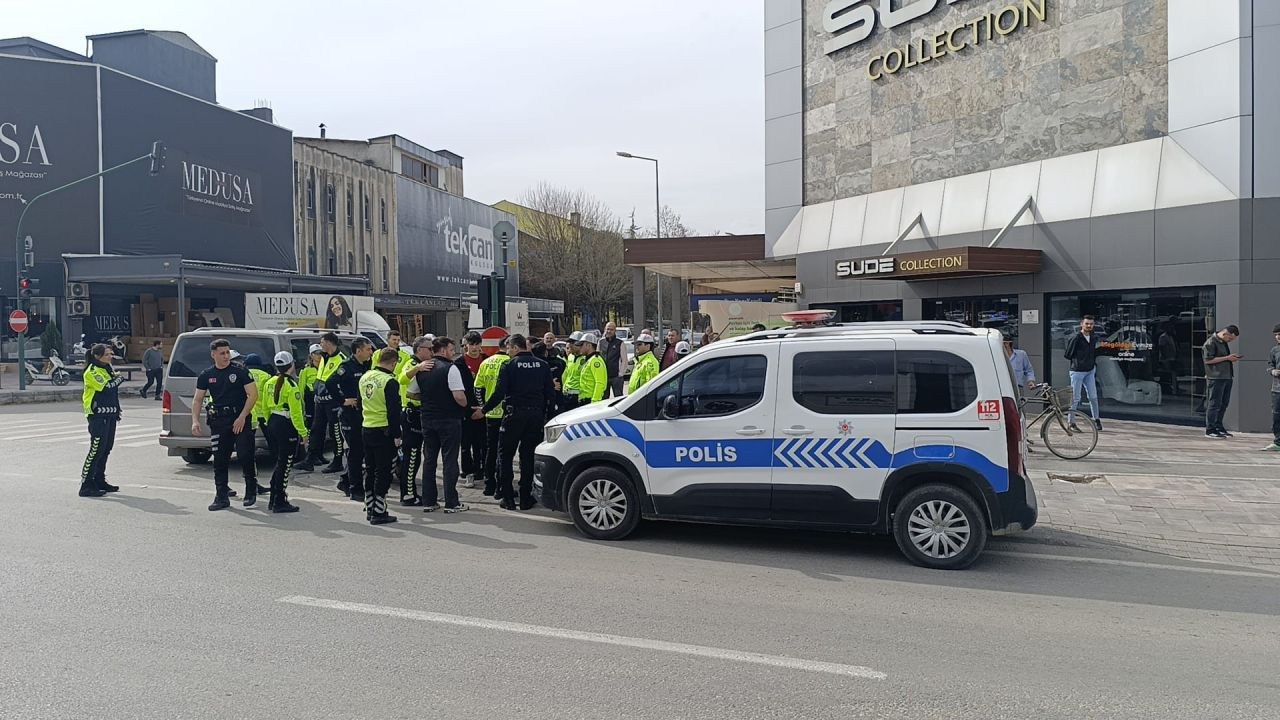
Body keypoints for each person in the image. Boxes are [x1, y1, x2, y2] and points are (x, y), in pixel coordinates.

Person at [481, 334, 556, 510]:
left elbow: (499, 393)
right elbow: (550, 395)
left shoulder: (509, 365)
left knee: (505, 456)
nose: (507, 352)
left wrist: (484, 410)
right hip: (535, 417)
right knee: (528, 457)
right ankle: (525, 497)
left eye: (508, 348)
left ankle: (507, 498)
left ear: (515, 347)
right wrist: (549, 417)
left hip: (513, 416)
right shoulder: (542, 365)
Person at [193, 338, 260, 511]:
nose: (226, 356)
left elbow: (253, 395)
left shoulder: (240, 371)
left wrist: (242, 417)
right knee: (220, 460)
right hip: (219, 421)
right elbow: (198, 399)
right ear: (213, 355)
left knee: (246, 455)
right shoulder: (207, 375)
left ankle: (251, 491)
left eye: (227, 352)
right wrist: (194, 421)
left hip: (240, 419)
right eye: (222, 353)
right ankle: (221, 496)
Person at [410, 336, 471, 513]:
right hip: (449, 420)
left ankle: (429, 501)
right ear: (443, 350)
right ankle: (451, 502)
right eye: (452, 350)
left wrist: (430, 399)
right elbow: (459, 396)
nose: (453, 353)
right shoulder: (450, 368)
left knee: (429, 460)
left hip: (427, 419)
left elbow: (412, 394)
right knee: (450, 460)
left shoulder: (423, 368)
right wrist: (466, 405)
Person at [360, 348, 404, 525]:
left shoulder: (365, 377)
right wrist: (397, 434)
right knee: (384, 471)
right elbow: (393, 412)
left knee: (370, 470)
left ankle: (370, 507)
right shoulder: (390, 381)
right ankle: (379, 511)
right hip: (383, 430)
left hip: (366, 427)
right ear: (393, 363)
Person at [329, 337, 374, 500]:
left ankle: (345, 480)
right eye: (368, 349)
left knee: (362, 451)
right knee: (355, 453)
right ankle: (355, 489)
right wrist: (343, 400)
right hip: (349, 415)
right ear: (358, 351)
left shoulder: (368, 365)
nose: (371, 352)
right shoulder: (346, 366)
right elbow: (330, 383)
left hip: (363, 414)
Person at [79, 343, 124, 497]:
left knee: (106, 449)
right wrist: (119, 379)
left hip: (110, 415)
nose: (110, 357)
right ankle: (86, 484)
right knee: (96, 449)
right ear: (97, 356)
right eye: (107, 354)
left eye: (111, 354)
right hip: (97, 415)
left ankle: (99, 479)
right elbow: (107, 387)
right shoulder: (91, 371)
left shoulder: (106, 369)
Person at [262, 352, 304, 513]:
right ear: (291, 365)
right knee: (285, 463)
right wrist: (303, 432)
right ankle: (279, 499)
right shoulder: (292, 385)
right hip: (286, 425)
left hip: (273, 422)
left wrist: (268, 423)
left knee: (279, 462)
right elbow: (296, 413)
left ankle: (274, 497)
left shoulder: (269, 382)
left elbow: (265, 407)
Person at [395, 336, 433, 505]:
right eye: (429, 348)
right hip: (411, 414)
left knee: (416, 456)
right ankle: (407, 494)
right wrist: (418, 367)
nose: (431, 351)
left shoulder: (424, 365)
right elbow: (402, 379)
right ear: (419, 350)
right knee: (412, 456)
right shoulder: (412, 363)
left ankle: (411, 492)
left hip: (419, 414)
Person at [301, 333, 347, 472]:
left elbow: (341, 381)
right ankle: (310, 459)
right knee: (316, 430)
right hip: (320, 401)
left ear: (329, 343)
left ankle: (338, 460)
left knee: (335, 432)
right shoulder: (324, 357)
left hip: (333, 401)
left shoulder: (341, 359)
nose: (321, 345)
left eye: (322, 342)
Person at [474, 335, 513, 497]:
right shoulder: (510, 363)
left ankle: (489, 484)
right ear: (508, 346)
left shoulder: (486, 362)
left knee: (490, 450)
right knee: (505, 452)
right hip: (508, 413)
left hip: (490, 414)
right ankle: (502, 487)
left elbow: (477, 388)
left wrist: (483, 407)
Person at [458, 331, 486, 489]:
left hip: (484, 408)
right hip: (465, 409)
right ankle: (468, 472)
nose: (474, 348)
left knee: (482, 443)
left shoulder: (487, 361)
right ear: (465, 345)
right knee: (465, 443)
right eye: (471, 344)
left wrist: (484, 407)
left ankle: (480, 470)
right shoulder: (459, 363)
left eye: (477, 344)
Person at [1203, 324, 1241, 438]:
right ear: (1225, 333)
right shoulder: (1211, 342)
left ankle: (1219, 426)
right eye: (1230, 338)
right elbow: (1208, 360)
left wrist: (1230, 358)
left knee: (1224, 403)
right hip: (1216, 377)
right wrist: (1227, 358)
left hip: (1226, 376)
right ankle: (1210, 429)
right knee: (1214, 403)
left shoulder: (1222, 342)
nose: (1230, 341)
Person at [1064, 315, 1101, 432]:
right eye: (1087, 324)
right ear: (1082, 324)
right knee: (1075, 398)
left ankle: (1096, 420)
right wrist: (1078, 360)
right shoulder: (1075, 337)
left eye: (1091, 324)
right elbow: (1068, 354)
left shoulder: (1094, 337)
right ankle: (1071, 422)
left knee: (1093, 397)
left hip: (1090, 370)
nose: (1089, 326)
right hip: (1077, 371)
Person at [576, 332, 608, 405]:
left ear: (588, 345)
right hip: (585, 399)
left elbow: (600, 383)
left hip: (590, 400)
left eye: (581, 345)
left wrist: (595, 402)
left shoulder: (595, 361)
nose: (580, 348)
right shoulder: (589, 360)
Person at [600, 321, 625, 398]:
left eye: (611, 329)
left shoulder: (620, 343)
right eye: (607, 329)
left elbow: (624, 360)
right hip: (603, 376)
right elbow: (597, 357)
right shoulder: (601, 342)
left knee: (618, 399)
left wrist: (620, 374)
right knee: (603, 399)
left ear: (615, 331)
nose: (609, 331)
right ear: (605, 329)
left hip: (616, 377)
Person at [1266, 324, 1280, 451]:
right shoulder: (1274, 350)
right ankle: (1278, 442)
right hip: (1277, 389)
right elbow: (1270, 365)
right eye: (1276, 335)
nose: (1277, 337)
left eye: (1279, 334)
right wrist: (1273, 371)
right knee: (1277, 416)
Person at [561, 331, 583, 407]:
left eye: (572, 342)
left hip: (578, 396)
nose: (570, 345)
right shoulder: (570, 357)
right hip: (567, 394)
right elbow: (566, 375)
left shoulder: (586, 359)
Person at [1157, 322, 1179, 396]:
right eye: (1170, 328)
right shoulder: (1163, 337)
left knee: (1171, 374)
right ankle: (1169, 388)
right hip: (1166, 359)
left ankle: (1171, 388)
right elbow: (1162, 348)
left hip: (1172, 358)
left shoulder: (1171, 337)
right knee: (1168, 374)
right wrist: (1165, 358)